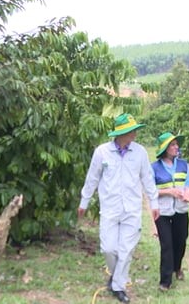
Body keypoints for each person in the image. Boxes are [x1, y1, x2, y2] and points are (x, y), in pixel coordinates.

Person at [78, 113, 160, 304]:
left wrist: (154, 203)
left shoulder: (139, 152)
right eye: (131, 131)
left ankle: (118, 286)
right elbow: (92, 178)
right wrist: (84, 202)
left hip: (132, 209)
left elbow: (148, 179)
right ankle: (116, 277)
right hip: (109, 208)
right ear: (120, 133)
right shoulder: (102, 152)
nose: (135, 134)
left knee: (126, 250)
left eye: (135, 130)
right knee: (108, 248)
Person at [151, 132, 189, 291]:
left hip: (181, 210)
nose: (176, 147)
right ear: (165, 148)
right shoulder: (154, 167)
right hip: (162, 212)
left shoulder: (184, 165)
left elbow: (188, 183)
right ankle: (165, 281)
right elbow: (150, 191)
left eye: (177, 144)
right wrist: (169, 191)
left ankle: (177, 267)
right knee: (167, 245)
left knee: (181, 241)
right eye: (173, 145)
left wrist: (188, 192)